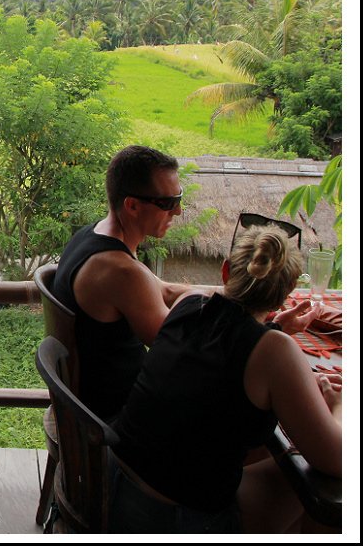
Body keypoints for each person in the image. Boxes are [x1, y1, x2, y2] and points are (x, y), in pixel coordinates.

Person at [51, 145, 312, 419]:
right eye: (168, 203)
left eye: (179, 198)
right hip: (118, 420)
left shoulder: (94, 237)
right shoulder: (120, 272)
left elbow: (163, 290)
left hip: (102, 400)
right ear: (132, 205)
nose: (178, 211)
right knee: (257, 407)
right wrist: (274, 328)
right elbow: (184, 352)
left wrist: (243, 294)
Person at [109, 226, 342, 533]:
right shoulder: (274, 351)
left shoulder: (188, 305)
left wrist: (276, 330)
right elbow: (336, 459)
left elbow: (221, 355)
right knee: (306, 477)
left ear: (226, 271)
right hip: (171, 520)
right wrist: (337, 407)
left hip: (114, 487)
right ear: (286, 294)